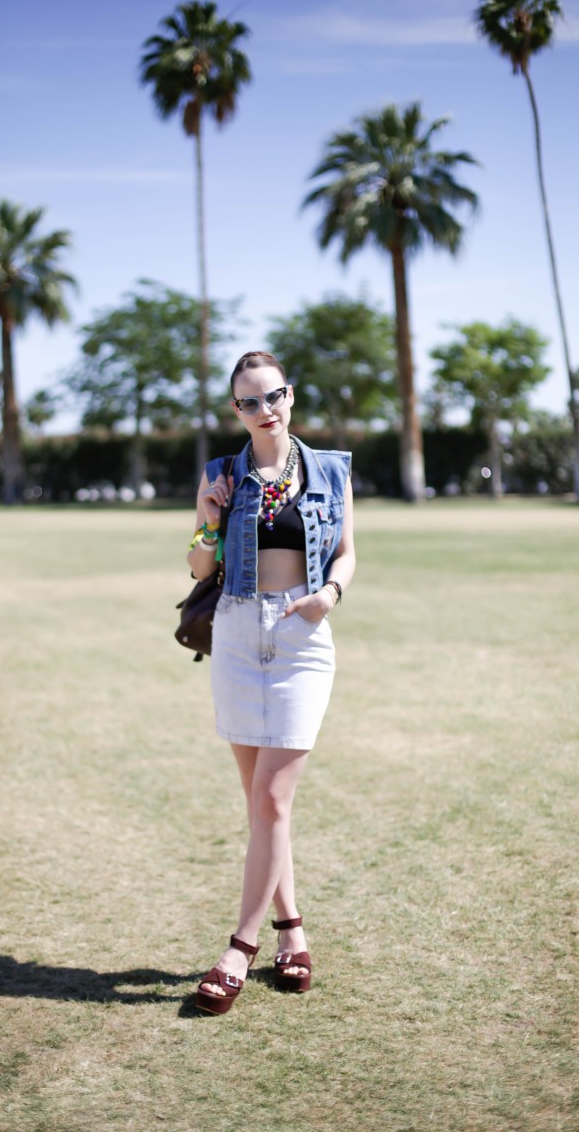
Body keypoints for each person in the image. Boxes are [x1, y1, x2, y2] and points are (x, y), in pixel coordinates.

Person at [187, 350, 356, 1015]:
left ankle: (240, 949)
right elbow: (200, 565)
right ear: (236, 410)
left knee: (272, 800)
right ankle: (293, 931)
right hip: (235, 633)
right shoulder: (221, 473)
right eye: (249, 402)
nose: (265, 410)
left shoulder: (331, 470)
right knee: (264, 808)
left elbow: (346, 552)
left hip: (301, 639)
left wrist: (329, 595)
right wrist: (210, 516)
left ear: (290, 396)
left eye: (273, 396)